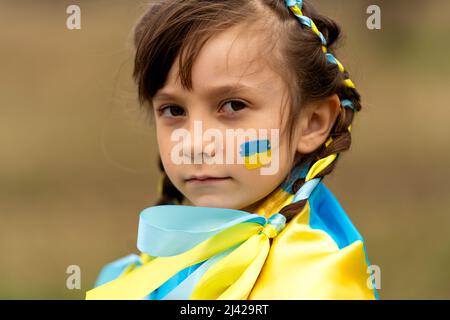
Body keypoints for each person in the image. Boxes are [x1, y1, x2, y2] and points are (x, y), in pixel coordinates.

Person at [86, 0, 378, 300]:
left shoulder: (316, 282)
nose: (195, 144)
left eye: (233, 105)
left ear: (311, 123)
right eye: (174, 110)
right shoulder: (142, 274)